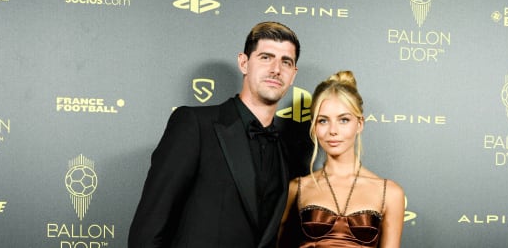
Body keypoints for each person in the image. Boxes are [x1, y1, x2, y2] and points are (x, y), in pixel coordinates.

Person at [129, 21, 311, 248]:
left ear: (293, 74)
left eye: (286, 62)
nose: (276, 69)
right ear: (244, 63)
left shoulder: (289, 148)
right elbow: (147, 233)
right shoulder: (195, 125)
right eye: (266, 57)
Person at [278, 71, 405, 248]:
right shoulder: (297, 188)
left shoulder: (390, 193)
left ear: (359, 124)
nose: (333, 131)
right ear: (314, 126)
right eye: (323, 121)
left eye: (343, 120)